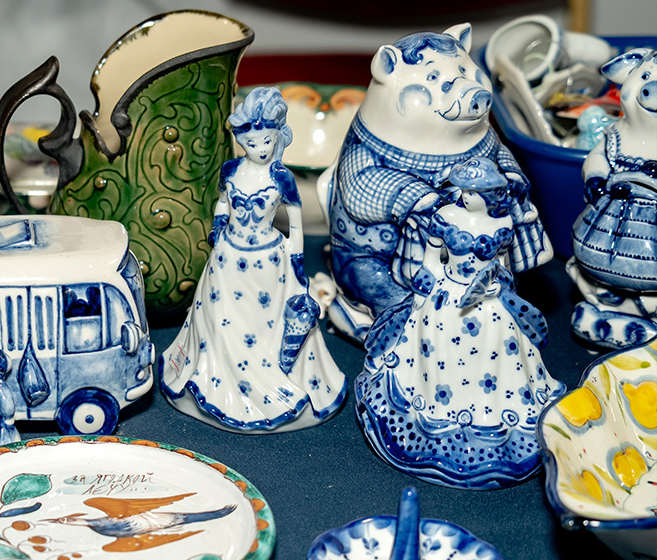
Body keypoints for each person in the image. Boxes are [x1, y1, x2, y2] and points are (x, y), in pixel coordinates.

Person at [356, 157, 566, 487]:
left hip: (487, 300)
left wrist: (497, 284)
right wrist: (428, 286)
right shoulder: (446, 216)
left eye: (473, 191)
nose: (466, 195)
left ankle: (491, 419)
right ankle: (438, 417)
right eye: (464, 190)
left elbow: (501, 264)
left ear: (489, 194)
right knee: (437, 344)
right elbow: (431, 259)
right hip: (447, 294)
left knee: (499, 343)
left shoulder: (502, 224)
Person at [159, 87, 346, 433]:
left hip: (268, 262)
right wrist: (217, 227)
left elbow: (295, 222)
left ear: (277, 137)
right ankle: (219, 384)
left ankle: (268, 385)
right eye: (251, 142)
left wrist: (297, 260)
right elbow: (221, 203)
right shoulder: (231, 170)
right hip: (227, 258)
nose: (260, 148)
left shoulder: (281, 178)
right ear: (241, 140)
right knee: (217, 321)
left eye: (266, 141)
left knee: (264, 325)